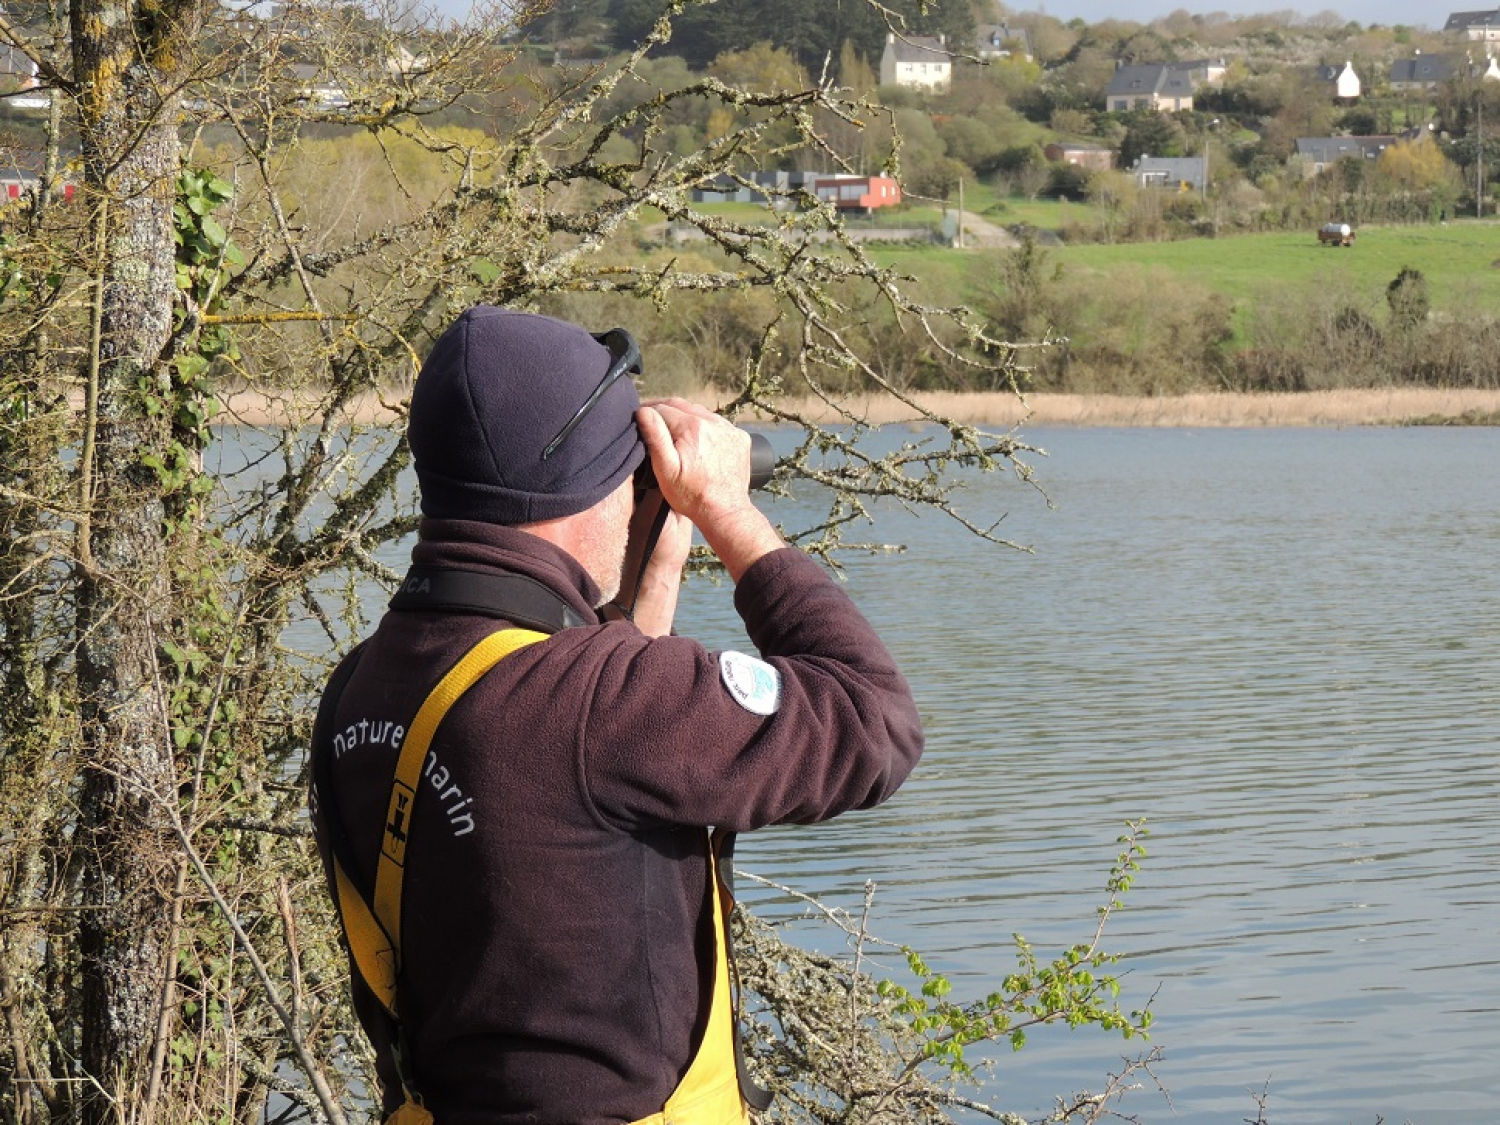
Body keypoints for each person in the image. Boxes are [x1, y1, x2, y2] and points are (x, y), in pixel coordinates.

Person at [309, 306, 923, 1125]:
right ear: (586, 489)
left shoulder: (360, 688)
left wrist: (646, 591)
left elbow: (562, 820)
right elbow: (871, 722)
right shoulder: (603, 703)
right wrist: (729, 514)